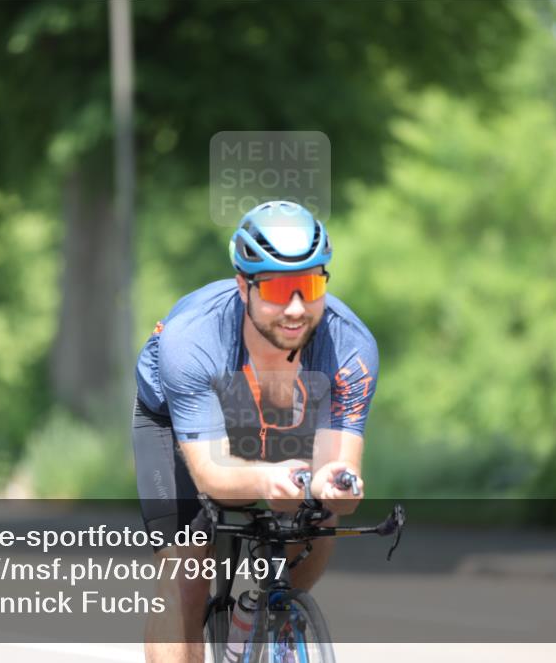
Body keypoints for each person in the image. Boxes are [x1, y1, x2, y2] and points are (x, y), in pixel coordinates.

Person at [132, 200, 379, 662]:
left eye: (308, 285)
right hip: (179, 422)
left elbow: (342, 467)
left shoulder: (351, 346)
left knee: (321, 516)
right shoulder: (192, 340)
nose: (295, 308)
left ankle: (266, 611)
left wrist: (336, 484)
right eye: (279, 288)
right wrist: (269, 478)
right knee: (187, 568)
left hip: (278, 411)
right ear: (244, 284)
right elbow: (211, 475)